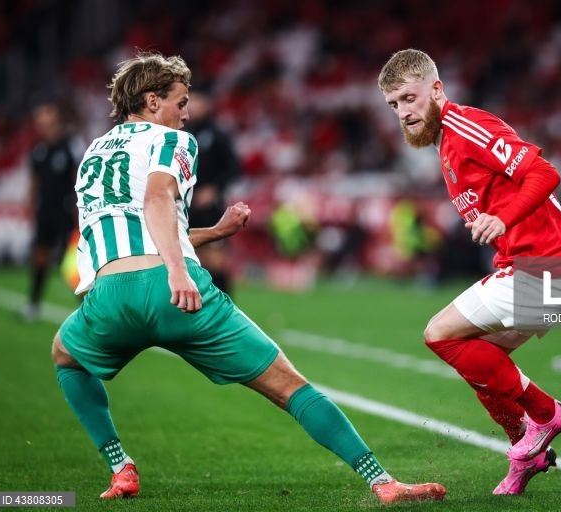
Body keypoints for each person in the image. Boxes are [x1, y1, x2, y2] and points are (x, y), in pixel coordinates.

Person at [51, 52, 445, 504]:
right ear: (151, 100)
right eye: (181, 101)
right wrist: (178, 270)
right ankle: (383, 482)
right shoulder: (170, 141)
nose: (187, 110)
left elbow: (135, 231)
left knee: (65, 355)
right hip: (177, 292)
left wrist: (215, 232)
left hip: (108, 297)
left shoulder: (93, 154)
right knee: (289, 386)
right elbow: (158, 200)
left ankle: (121, 467)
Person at [378, 49, 561, 495]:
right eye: (394, 105)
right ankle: (526, 454)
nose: (403, 113)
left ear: (436, 90)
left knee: (439, 333)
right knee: (477, 359)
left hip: (552, 262)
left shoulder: (465, 126)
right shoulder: (444, 143)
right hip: (547, 267)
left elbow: (543, 172)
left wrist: (503, 219)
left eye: (409, 98)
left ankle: (544, 414)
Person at [24, 101, 78, 321]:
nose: (41, 118)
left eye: (45, 112)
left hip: (66, 211)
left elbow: (78, 176)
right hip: (45, 210)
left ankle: (89, 308)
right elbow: (34, 181)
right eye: (39, 114)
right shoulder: (39, 149)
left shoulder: (70, 144)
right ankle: (33, 304)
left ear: (55, 115)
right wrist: (30, 204)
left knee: (72, 264)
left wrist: (79, 209)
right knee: (39, 256)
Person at [184, 90, 238, 294]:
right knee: (188, 256)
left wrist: (214, 189)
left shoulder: (217, 133)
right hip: (186, 206)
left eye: (197, 100)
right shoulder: (182, 133)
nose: (192, 106)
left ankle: (226, 304)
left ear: (207, 103)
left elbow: (233, 167)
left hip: (209, 208)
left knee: (214, 259)